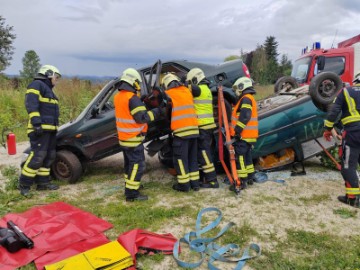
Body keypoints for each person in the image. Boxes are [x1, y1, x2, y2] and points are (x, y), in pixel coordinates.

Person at [114, 68, 164, 202]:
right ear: (133, 81)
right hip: (134, 139)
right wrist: (157, 111)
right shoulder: (132, 98)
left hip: (124, 138)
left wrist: (141, 101)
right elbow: (142, 118)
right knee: (138, 165)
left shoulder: (119, 96)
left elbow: (129, 112)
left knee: (129, 165)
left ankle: (130, 186)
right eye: (137, 82)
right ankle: (132, 194)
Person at [18, 65, 62, 196]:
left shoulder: (48, 89)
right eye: (56, 77)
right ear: (48, 74)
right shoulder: (36, 85)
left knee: (49, 156)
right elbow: (31, 104)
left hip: (50, 130)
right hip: (39, 129)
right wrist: (37, 123)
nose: (57, 80)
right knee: (37, 157)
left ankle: (43, 183)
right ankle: (24, 184)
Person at [323, 71, 360, 208]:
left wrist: (328, 129)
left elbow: (334, 111)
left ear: (355, 81)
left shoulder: (346, 91)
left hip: (353, 133)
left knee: (348, 166)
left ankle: (353, 199)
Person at [162, 73, 200, 192]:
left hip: (181, 133)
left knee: (181, 160)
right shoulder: (186, 91)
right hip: (194, 131)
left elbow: (165, 111)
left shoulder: (169, 94)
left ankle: (184, 186)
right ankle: (195, 184)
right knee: (192, 158)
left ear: (167, 84)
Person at [186, 68, 219, 188]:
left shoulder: (198, 89)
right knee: (206, 152)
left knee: (204, 153)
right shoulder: (206, 89)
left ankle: (212, 180)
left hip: (203, 126)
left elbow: (185, 88)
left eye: (191, 81)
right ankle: (208, 178)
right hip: (208, 125)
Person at [230, 76, 258, 190]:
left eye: (237, 88)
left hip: (243, 135)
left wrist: (237, 131)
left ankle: (242, 181)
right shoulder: (249, 98)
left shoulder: (246, 98)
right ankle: (250, 177)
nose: (237, 91)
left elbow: (245, 116)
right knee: (247, 157)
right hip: (249, 135)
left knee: (240, 157)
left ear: (242, 86)